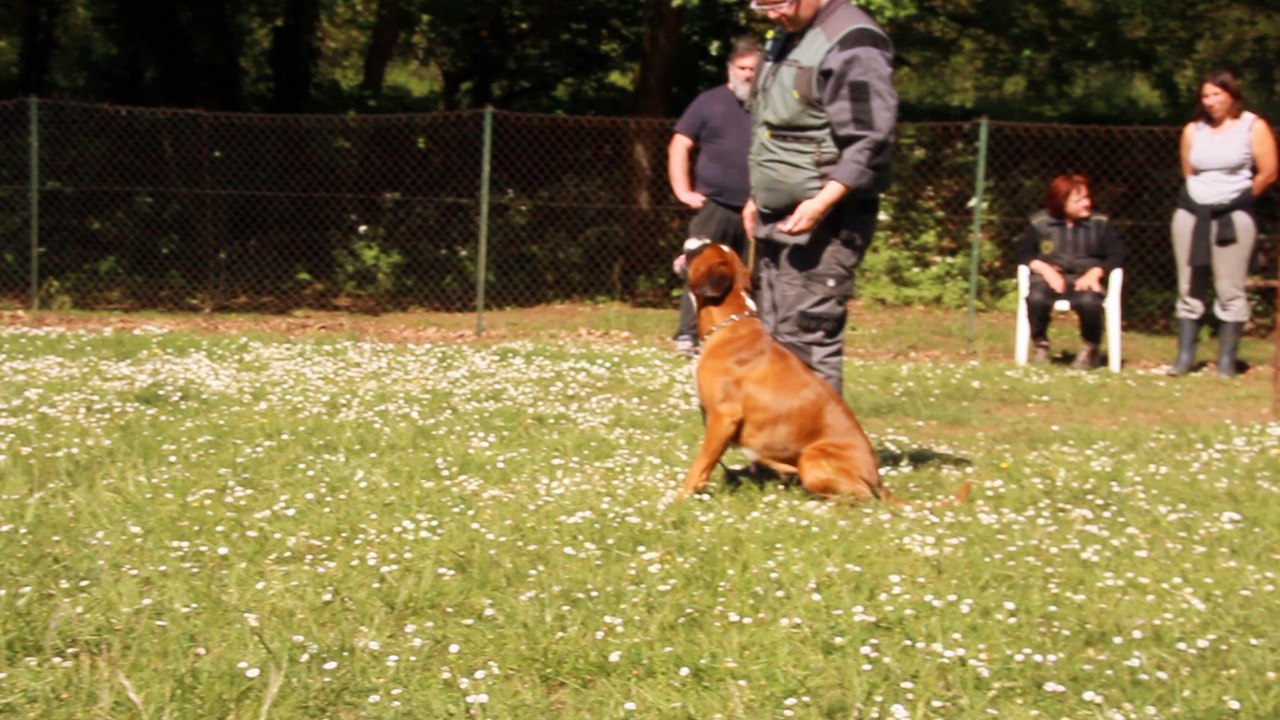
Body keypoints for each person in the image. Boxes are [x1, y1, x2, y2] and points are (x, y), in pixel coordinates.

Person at [741, 0, 897, 392]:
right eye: (761, 5)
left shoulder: (854, 43)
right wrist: (755, 196)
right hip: (776, 213)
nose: (772, 14)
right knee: (775, 338)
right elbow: (772, 130)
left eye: (778, 3)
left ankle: (819, 453)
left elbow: (871, 140)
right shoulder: (787, 36)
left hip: (826, 220)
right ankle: (778, 453)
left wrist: (823, 201)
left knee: (805, 342)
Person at [1169, 69, 1278, 377]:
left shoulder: (1253, 126)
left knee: (1229, 288)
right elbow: (1189, 171)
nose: (1211, 102)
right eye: (1205, 96)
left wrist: (1239, 198)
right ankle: (1185, 357)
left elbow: (1268, 171)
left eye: (1217, 94)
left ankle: (1226, 361)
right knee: (1189, 285)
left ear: (1232, 95)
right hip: (1192, 213)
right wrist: (1201, 197)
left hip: (1233, 214)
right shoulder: (1194, 130)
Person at [668, 37, 761, 358]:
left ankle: (749, 336)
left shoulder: (772, 105)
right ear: (730, 69)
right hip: (715, 205)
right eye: (742, 68)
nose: (748, 74)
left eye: (754, 69)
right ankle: (687, 336)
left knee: (756, 276)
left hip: (760, 208)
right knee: (701, 272)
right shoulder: (709, 102)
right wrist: (683, 191)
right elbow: (680, 143)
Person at [1016, 174, 1125, 370]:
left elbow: (1117, 255)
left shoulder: (1100, 223)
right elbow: (1024, 254)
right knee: (1036, 299)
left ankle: (1090, 347)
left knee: (1089, 302)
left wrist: (1096, 272)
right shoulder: (1039, 223)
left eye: (1087, 197)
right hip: (1048, 279)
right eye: (1079, 200)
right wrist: (1045, 270)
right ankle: (1040, 343)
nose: (1087, 203)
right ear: (1061, 202)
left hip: (1084, 280)